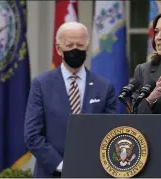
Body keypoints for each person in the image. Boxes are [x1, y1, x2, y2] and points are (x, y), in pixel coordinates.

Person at [24, 22, 116, 178]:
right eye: (69, 45)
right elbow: (32, 135)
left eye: (80, 45)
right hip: (52, 173)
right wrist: (61, 166)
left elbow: (111, 131)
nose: (75, 49)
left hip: (94, 172)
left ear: (87, 46)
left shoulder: (104, 87)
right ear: (59, 48)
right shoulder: (41, 84)